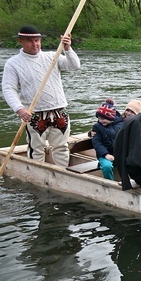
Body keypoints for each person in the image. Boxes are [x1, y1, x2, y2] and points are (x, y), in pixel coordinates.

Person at [2, 25, 80, 167]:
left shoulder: (52, 56)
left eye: (37, 40)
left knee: (61, 148)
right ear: (20, 41)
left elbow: (74, 66)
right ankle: (37, 177)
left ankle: (62, 176)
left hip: (59, 111)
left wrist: (67, 49)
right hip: (34, 114)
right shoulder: (13, 64)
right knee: (36, 150)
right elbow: (8, 89)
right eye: (30, 41)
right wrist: (19, 109)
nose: (35, 44)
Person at [90, 98, 123, 180]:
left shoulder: (121, 124)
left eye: (103, 119)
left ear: (111, 118)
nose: (101, 121)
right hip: (104, 155)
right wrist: (105, 154)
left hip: (119, 154)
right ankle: (109, 183)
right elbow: (97, 143)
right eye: (99, 118)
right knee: (107, 166)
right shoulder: (97, 127)